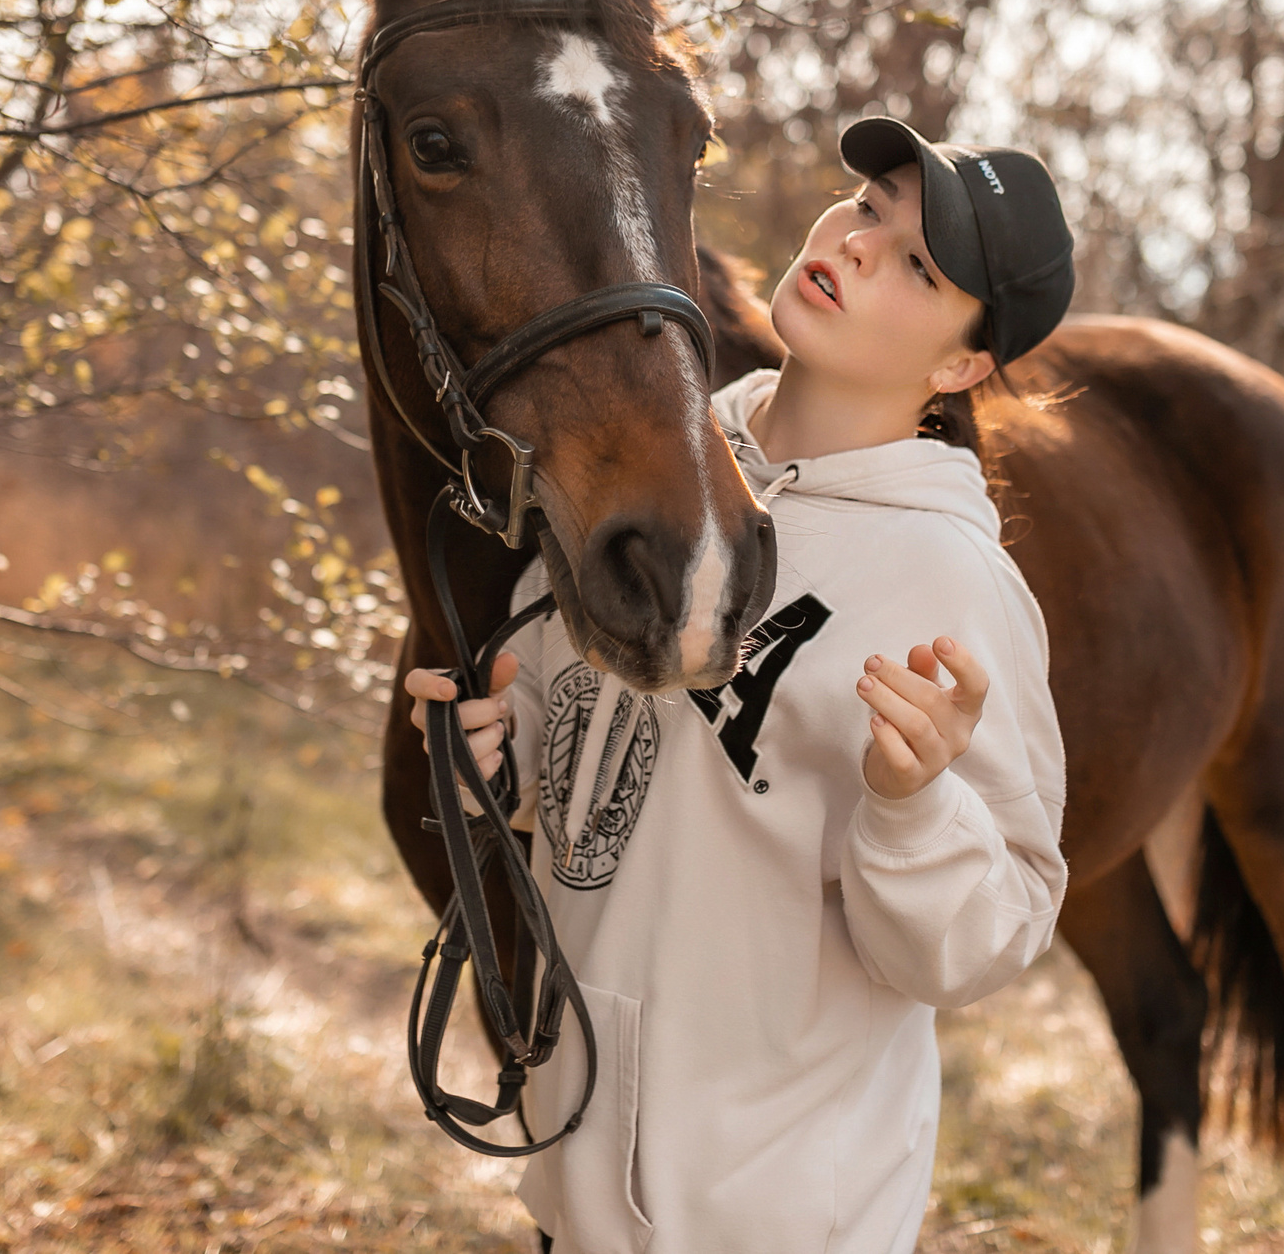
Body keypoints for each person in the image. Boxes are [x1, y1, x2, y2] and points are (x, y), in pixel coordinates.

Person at [407, 117, 1075, 1254]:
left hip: (775, 1212)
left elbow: (986, 941)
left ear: (961, 366)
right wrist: (496, 753)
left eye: (917, 266)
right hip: (575, 1171)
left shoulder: (948, 577)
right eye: (868, 208)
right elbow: (575, 733)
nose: (854, 243)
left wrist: (915, 808)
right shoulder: (653, 468)